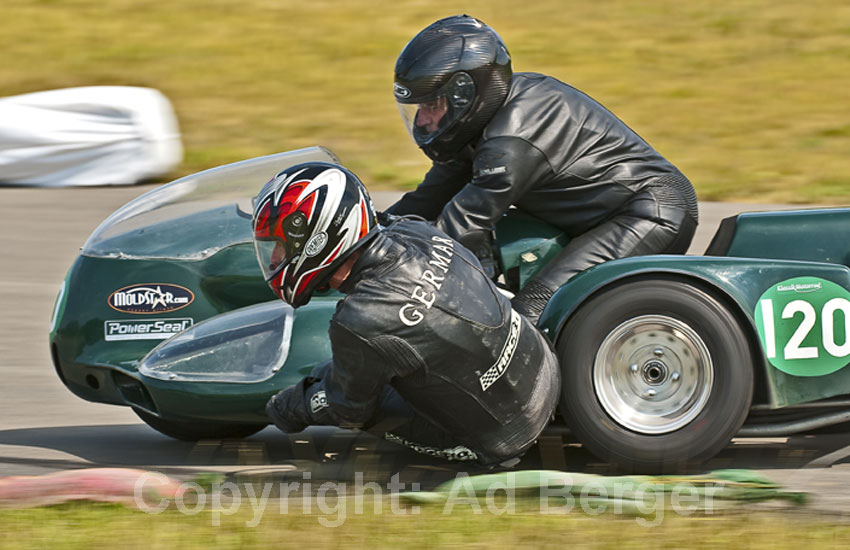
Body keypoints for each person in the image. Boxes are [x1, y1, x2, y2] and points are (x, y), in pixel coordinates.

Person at [388, 15, 699, 324]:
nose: (422, 121)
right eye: (419, 109)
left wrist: (380, 268)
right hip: (598, 217)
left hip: (650, 213)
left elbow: (460, 228)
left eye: (431, 106)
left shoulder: (510, 141)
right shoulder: (479, 124)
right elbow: (424, 201)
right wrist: (367, 233)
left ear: (464, 95)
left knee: (534, 312)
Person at [254, 161, 560, 466]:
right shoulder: (414, 229)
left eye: (281, 244)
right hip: (546, 368)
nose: (275, 259)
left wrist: (291, 406)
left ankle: (485, 450)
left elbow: (348, 410)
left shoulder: (359, 319)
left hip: (506, 436)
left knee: (336, 385)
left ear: (316, 239)